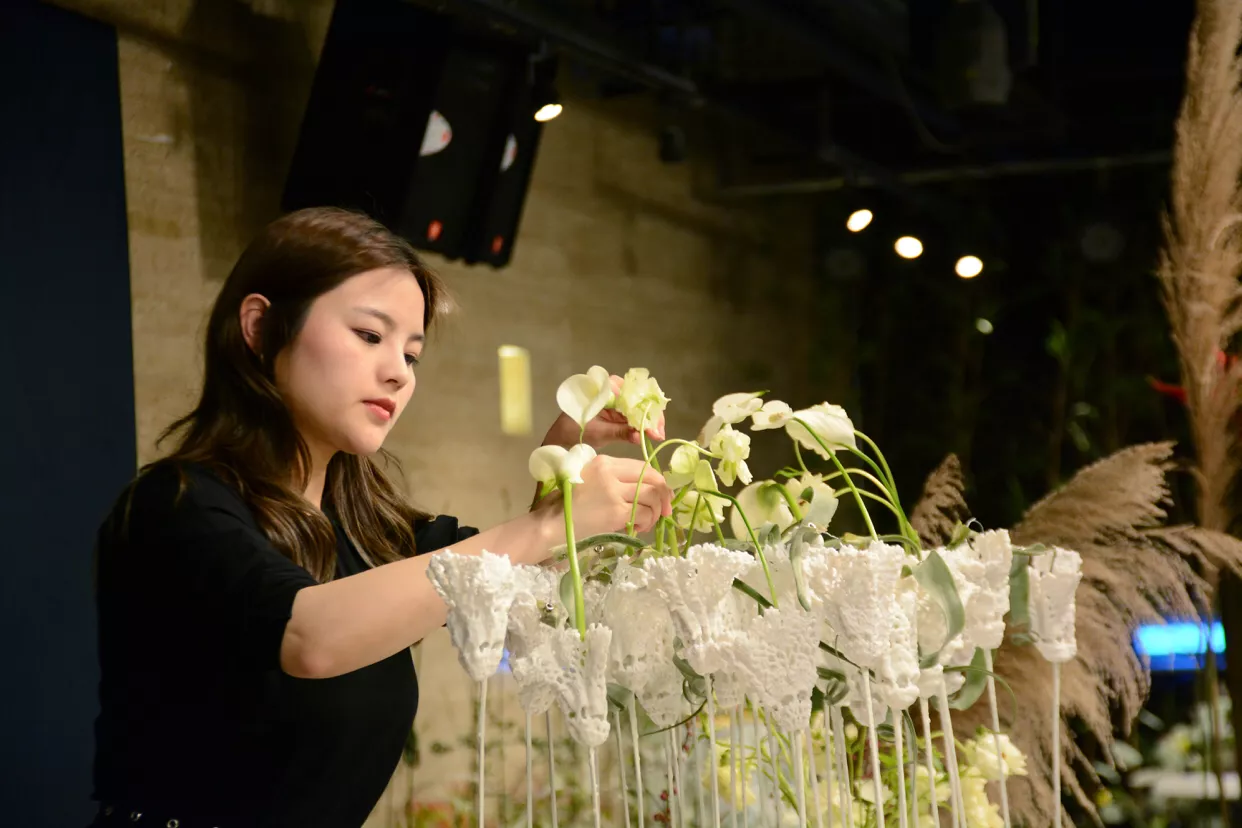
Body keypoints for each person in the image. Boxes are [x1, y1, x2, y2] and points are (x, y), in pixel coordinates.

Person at [89, 207, 673, 828]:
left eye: (412, 354)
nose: (397, 370)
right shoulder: (176, 508)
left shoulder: (375, 532)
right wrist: (546, 525)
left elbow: (522, 596)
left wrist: (567, 458)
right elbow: (307, 638)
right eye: (370, 336)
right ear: (260, 328)